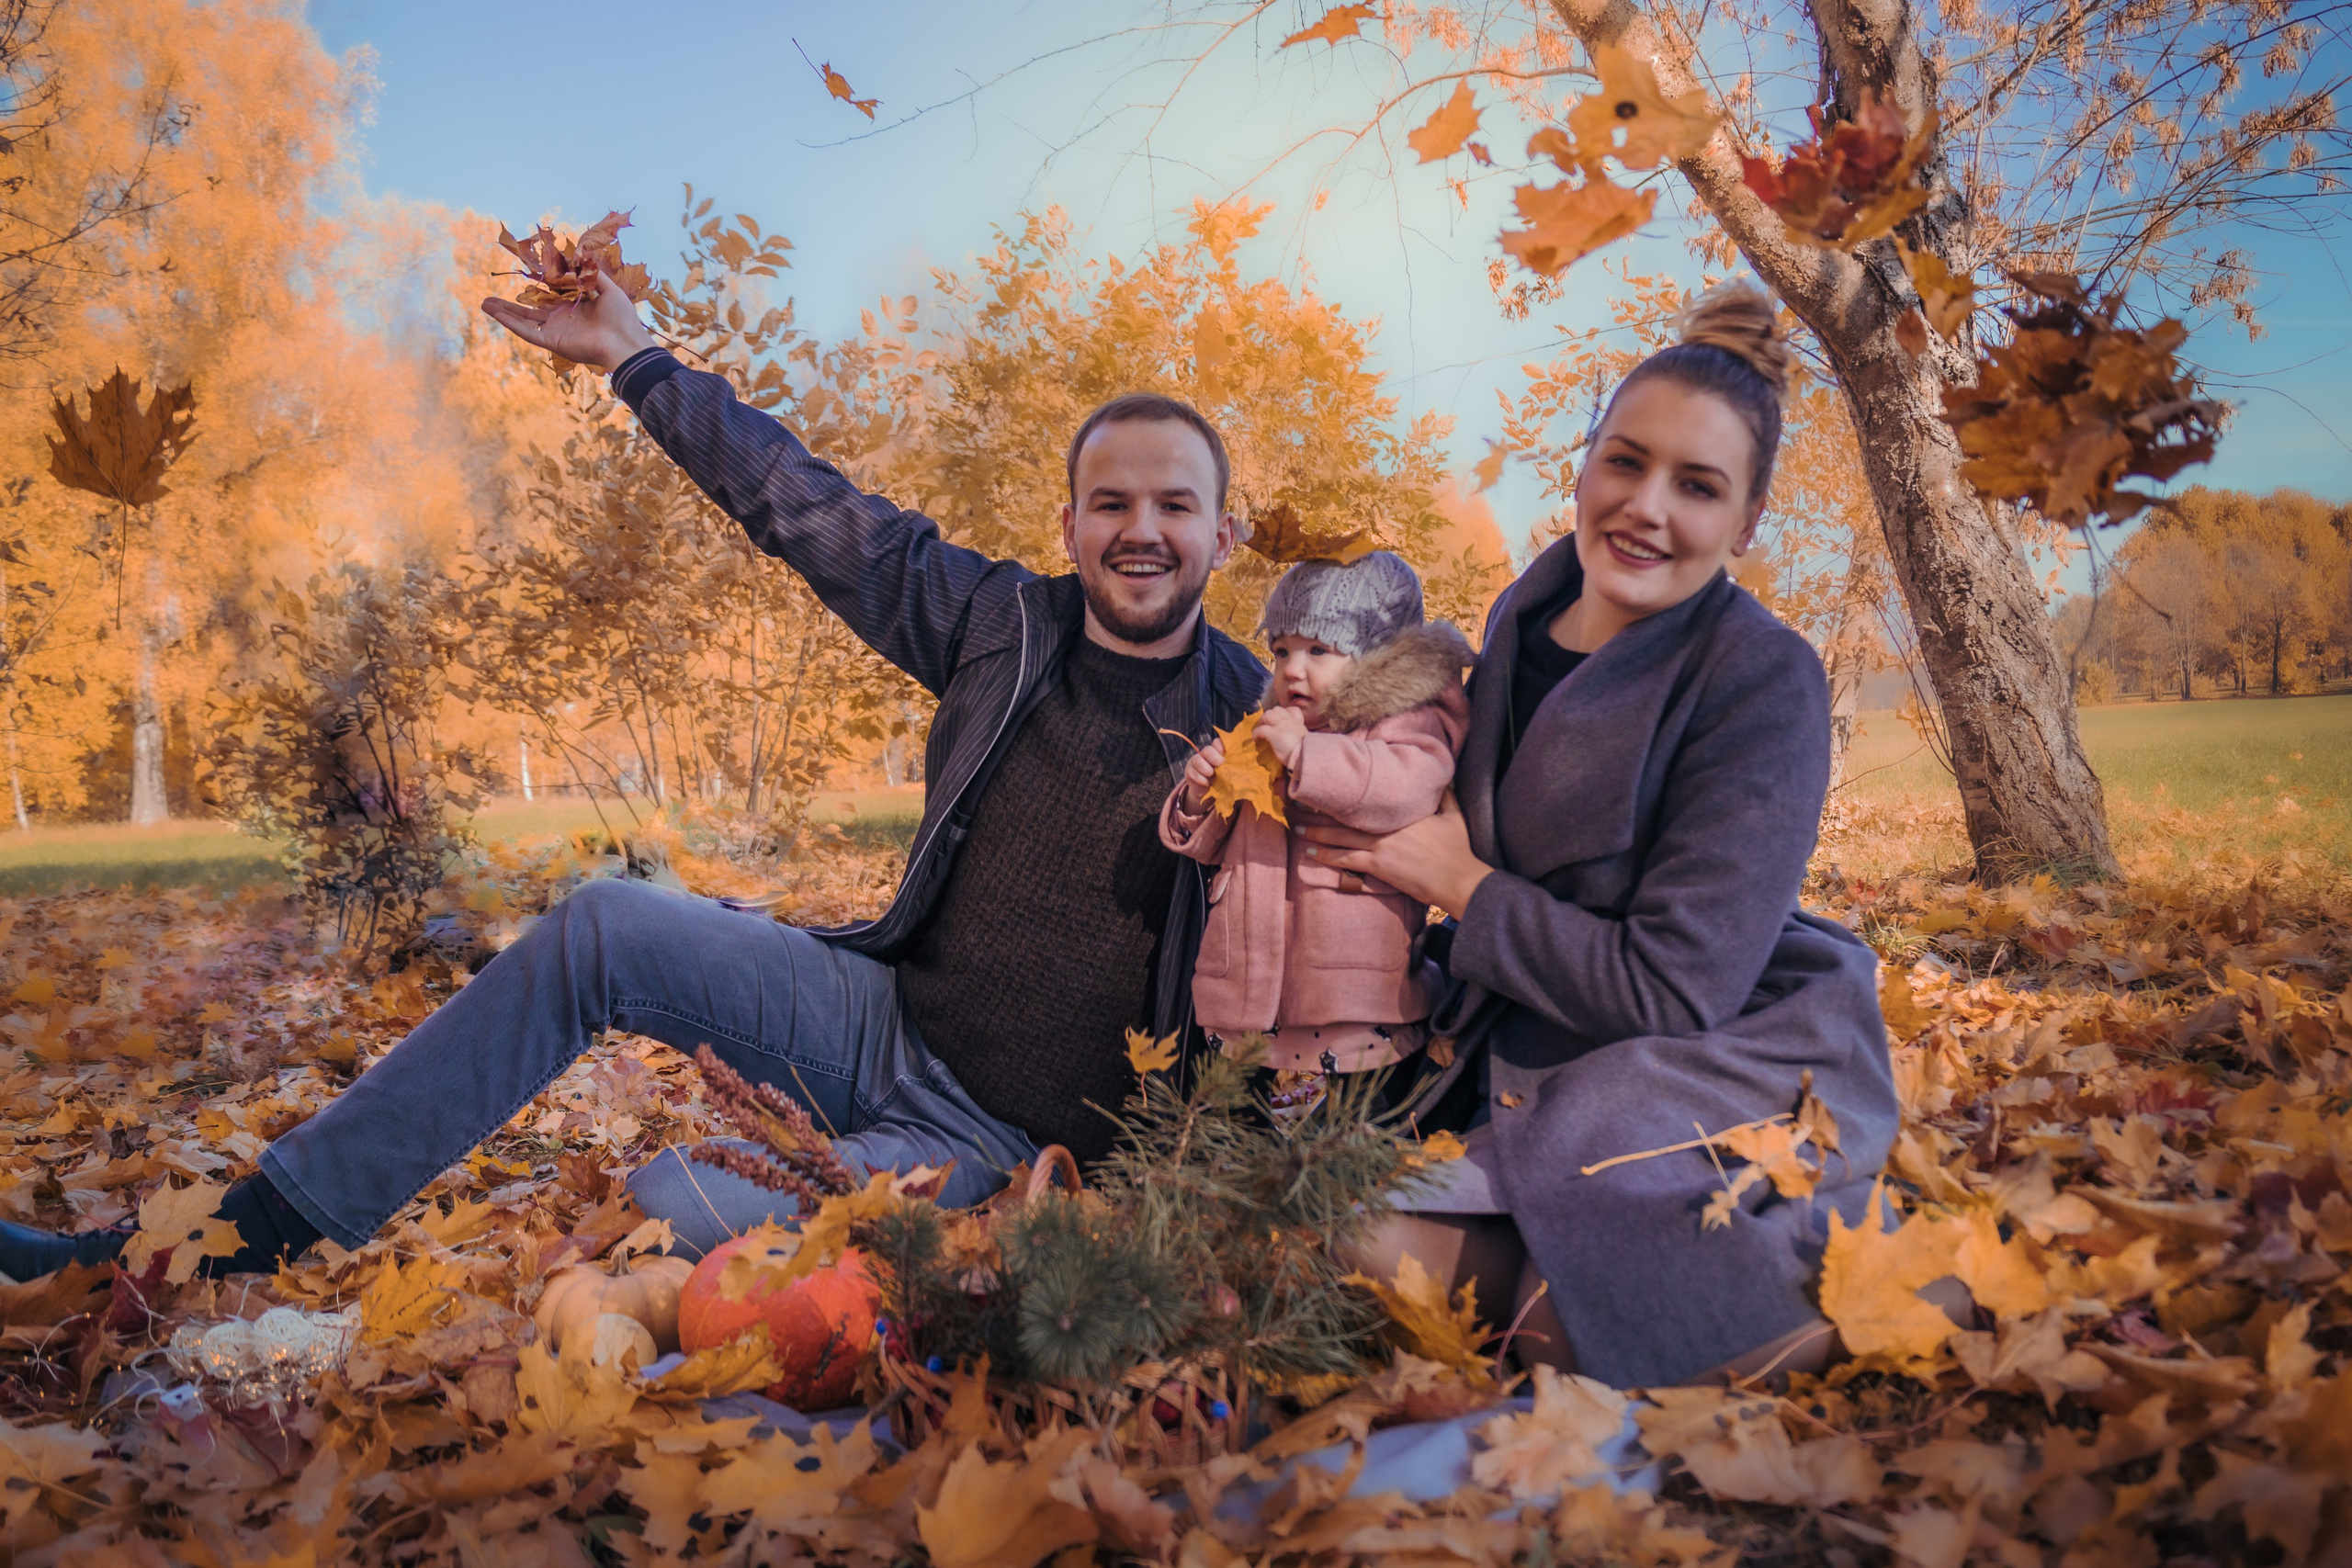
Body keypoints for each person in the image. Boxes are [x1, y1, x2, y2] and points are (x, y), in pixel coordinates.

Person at [0, 265, 1264, 1281]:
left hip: (1003, 1143)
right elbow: (806, 506)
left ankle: (843, 1194)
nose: (1140, 530)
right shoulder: (1002, 623)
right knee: (606, 922)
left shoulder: (1262, 728)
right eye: (1110, 503)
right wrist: (633, 357)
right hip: (881, 1019)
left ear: (1222, 531)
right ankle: (246, 1232)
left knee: (673, 1207)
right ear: (1068, 524)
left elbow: (1338, 963)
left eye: (1172, 506)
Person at [1307, 287, 1898, 1389]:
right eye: (1624, 462)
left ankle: (1838, 1295)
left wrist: (1467, 889)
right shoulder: (1513, 625)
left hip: (1698, 1044)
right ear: (1582, 468)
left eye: (1698, 486)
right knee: (1324, 1225)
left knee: (1562, 1315)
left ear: (1746, 523)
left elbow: (1677, 986)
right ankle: (1578, 1279)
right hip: (1515, 1035)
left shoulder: (1760, 677)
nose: (1646, 507)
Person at [1160, 551, 1470, 1108]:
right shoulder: (1268, 731)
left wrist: (1308, 757)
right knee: (1236, 1136)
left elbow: (1408, 788)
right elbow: (1211, 846)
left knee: (1338, 1139)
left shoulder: (1405, 725)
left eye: (1318, 650)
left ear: (1377, 660)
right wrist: (1200, 796)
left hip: (1354, 1015)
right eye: (1281, 650)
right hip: (1249, 1006)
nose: (1291, 670)